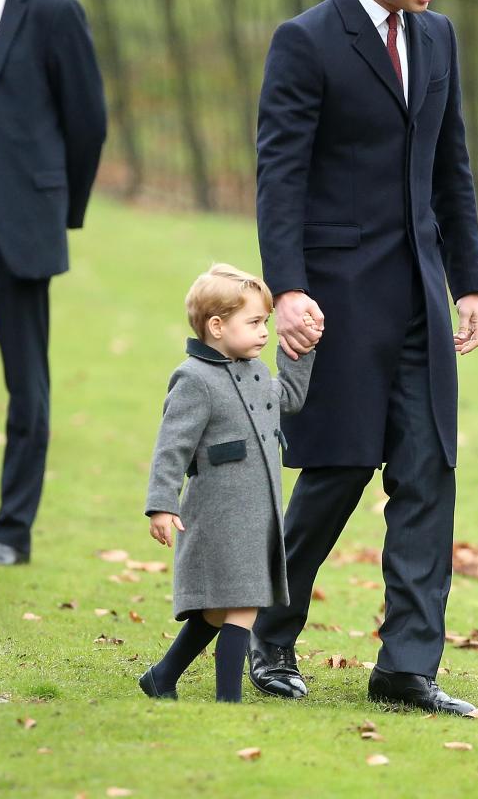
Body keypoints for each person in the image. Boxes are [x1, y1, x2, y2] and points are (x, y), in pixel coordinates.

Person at [250, 0, 478, 716]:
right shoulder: (305, 41)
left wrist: (470, 281)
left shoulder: (439, 37)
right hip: (337, 302)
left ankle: (406, 667)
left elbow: (449, 167)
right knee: (338, 470)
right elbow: (278, 177)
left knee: (427, 474)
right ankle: (266, 636)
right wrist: (285, 290)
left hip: (422, 297)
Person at [0, 0, 106, 566]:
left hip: (22, 229)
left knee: (26, 388)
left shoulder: (55, 13)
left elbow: (87, 121)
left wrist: (61, 207)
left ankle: (11, 531)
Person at [140, 263, 317, 703]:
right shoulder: (194, 379)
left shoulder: (255, 372)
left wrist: (301, 350)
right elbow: (171, 448)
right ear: (216, 326)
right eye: (254, 323)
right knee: (242, 606)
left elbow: (289, 399)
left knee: (218, 610)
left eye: (266, 323)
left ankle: (162, 677)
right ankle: (228, 702)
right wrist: (162, 504)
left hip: (257, 517)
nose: (263, 333)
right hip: (219, 516)